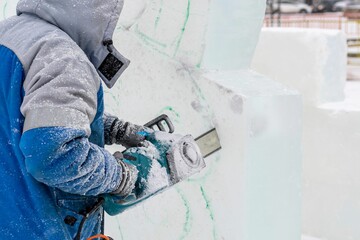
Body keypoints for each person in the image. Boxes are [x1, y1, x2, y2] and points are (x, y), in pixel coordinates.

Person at [0, 0, 159, 239]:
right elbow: (53, 154)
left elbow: (27, 113)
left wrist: (111, 128)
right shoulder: (64, 58)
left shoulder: (9, 33)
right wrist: (121, 177)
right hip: (41, 227)